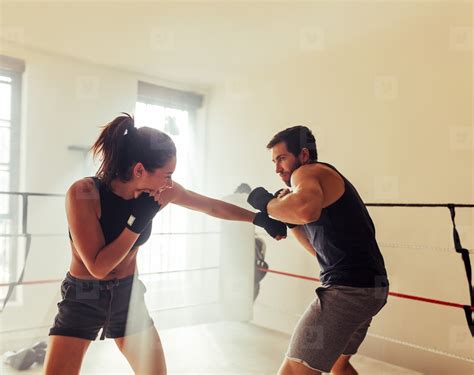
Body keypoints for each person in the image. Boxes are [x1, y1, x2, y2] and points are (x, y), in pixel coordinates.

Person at [43, 113, 287, 375]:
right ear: (139, 170)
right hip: (84, 296)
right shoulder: (83, 194)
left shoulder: (161, 192)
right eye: (167, 174)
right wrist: (136, 222)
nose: (170, 183)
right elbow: (99, 267)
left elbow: (211, 206)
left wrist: (259, 219)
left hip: (127, 294)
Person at [247, 126, 389, 375]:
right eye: (274, 161)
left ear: (302, 155)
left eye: (281, 158)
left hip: (347, 291)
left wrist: (266, 204)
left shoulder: (306, 172)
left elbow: (305, 210)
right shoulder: (317, 183)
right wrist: (290, 221)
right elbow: (317, 248)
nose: (277, 168)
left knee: (293, 370)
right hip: (372, 289)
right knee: (339, 366)